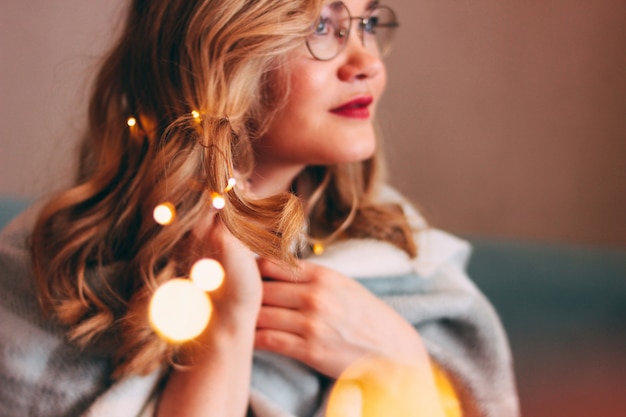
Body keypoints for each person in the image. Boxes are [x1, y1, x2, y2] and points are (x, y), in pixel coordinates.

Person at [0, 0, 519, 416]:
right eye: (321, 25)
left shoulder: (400, 262)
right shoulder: (50, 273)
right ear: (220, 51)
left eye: (367, 23)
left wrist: (400, 362)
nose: (368, 64)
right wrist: (225, 329)